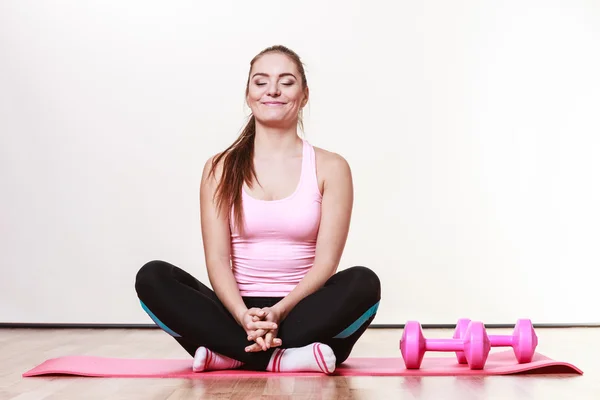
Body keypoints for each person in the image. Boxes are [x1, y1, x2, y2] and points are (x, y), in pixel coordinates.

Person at [135, 45, 381, 374]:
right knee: (153, 277)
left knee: (364, 283)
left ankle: (231, 353)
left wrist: (278, 313)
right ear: (249, 95)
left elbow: (326, 263)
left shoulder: (331, 167)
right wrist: (241, 315)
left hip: (303, 309)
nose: (273, 90)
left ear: (304, 95)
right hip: (234, 311)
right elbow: (218, 260)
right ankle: (286, 357)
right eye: (261, 81)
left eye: (287, 81)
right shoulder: (219, 168)